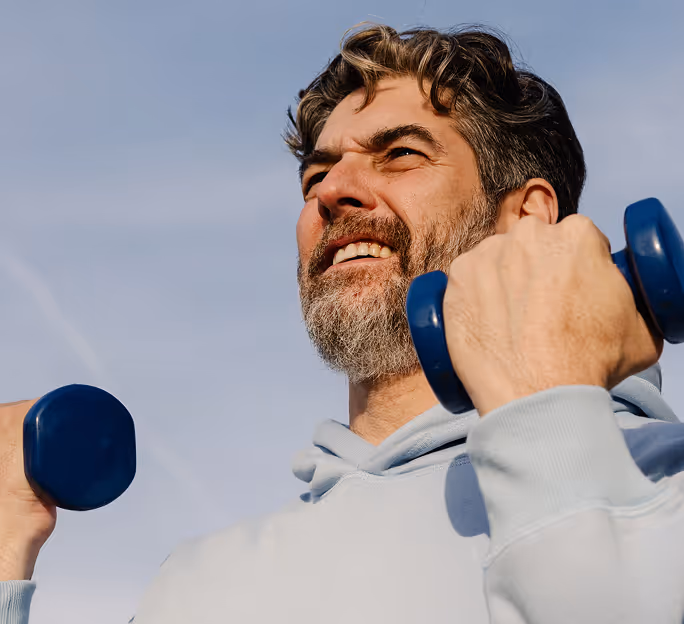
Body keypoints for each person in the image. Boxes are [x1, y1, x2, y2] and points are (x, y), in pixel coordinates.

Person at [1, 23, 684, 624]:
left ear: (528, 218)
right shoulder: (197, 584)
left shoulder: (665, 485)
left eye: (401, 154)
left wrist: (549, 399)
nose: (330, 191)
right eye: (316, 174)